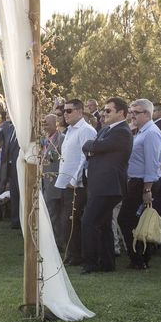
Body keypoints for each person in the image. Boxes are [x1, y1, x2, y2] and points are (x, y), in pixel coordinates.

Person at [80, 97, 133, 274]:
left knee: (89, 222)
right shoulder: (106, 130)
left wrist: (92, 147)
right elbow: (93, 148)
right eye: (104, 110)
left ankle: (91, 263)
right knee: (102, 225)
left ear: (121, 113)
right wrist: (93, 147)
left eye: (108, 110)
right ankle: (107, 264)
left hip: (109, 186)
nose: (104, 113)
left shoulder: (122, 132)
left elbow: (92, 146)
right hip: (100, 185)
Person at [117, 98, 161, 270]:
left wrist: (147, 189)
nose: (131, 116)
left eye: (135, 112)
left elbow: (152, 164)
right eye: (130, 112)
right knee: (134, 221)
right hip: (137, 182)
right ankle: (140, 257)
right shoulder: (141, 131)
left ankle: (139, 258)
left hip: (143, 183)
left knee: (126, 219)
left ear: (147, 113)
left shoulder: (151, 133)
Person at [55, 99, 97, 266]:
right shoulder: (70, 130)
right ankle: (71, 253)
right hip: (65, 181)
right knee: (66, 220)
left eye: (69, 111)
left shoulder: (86, 130)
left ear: (80, 112)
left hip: (77, 184)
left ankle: (77, 255)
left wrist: (75, 179)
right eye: (64, 111)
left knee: (72, 220)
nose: (65, 114)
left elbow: (84, 158)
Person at [41, 114, 65, 249]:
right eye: (43, 124)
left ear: (56, 124)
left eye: (47, 124)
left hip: (55, 182)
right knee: (50, 212)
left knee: (55, 213)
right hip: (44, 180)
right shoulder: (43, 139)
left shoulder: (61, 139)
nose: (45, 127)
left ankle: (58, 243)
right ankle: (51, 241)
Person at [0, 117, 21, 228]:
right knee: (14, 192)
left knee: (19, 192)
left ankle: (21, 221)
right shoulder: (7, 127)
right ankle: (14, 221)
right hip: (8, 165)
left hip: (19, 165)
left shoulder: (23, 129)